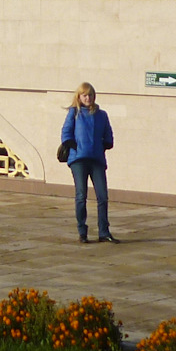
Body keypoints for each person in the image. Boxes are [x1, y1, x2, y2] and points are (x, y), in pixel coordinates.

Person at [59, 82, 117, 243]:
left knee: (102, 196)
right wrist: (74, 145)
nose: (88, 98)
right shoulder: (74, 113)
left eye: (90, 95)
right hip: (78, 159)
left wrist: (106, 144)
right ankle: (82, 231)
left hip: (97, 158)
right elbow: (66, 133)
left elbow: (108, 133)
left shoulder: (102, 114)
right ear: (79, 97)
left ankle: (104, 232)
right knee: (81, 195)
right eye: (84, 95)